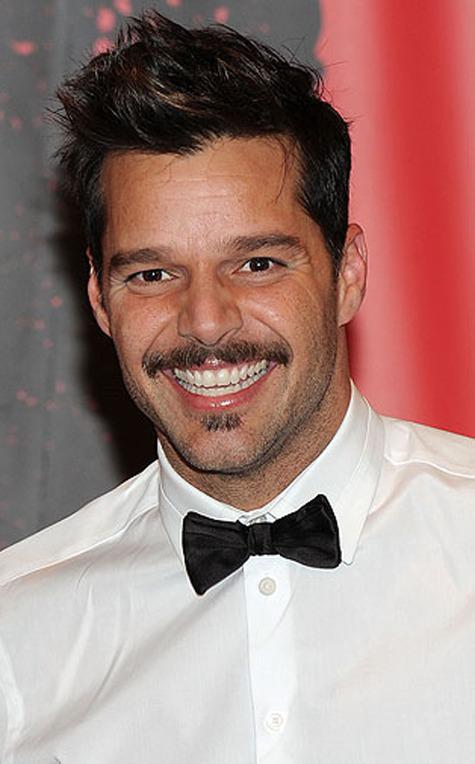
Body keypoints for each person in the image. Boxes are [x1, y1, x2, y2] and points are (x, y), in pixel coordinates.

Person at [0, 9, 474, 763]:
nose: (207, 323)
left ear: (347, 275)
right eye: (153, 274)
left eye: (257, 264)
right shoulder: (17, 632)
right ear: (99, 301)